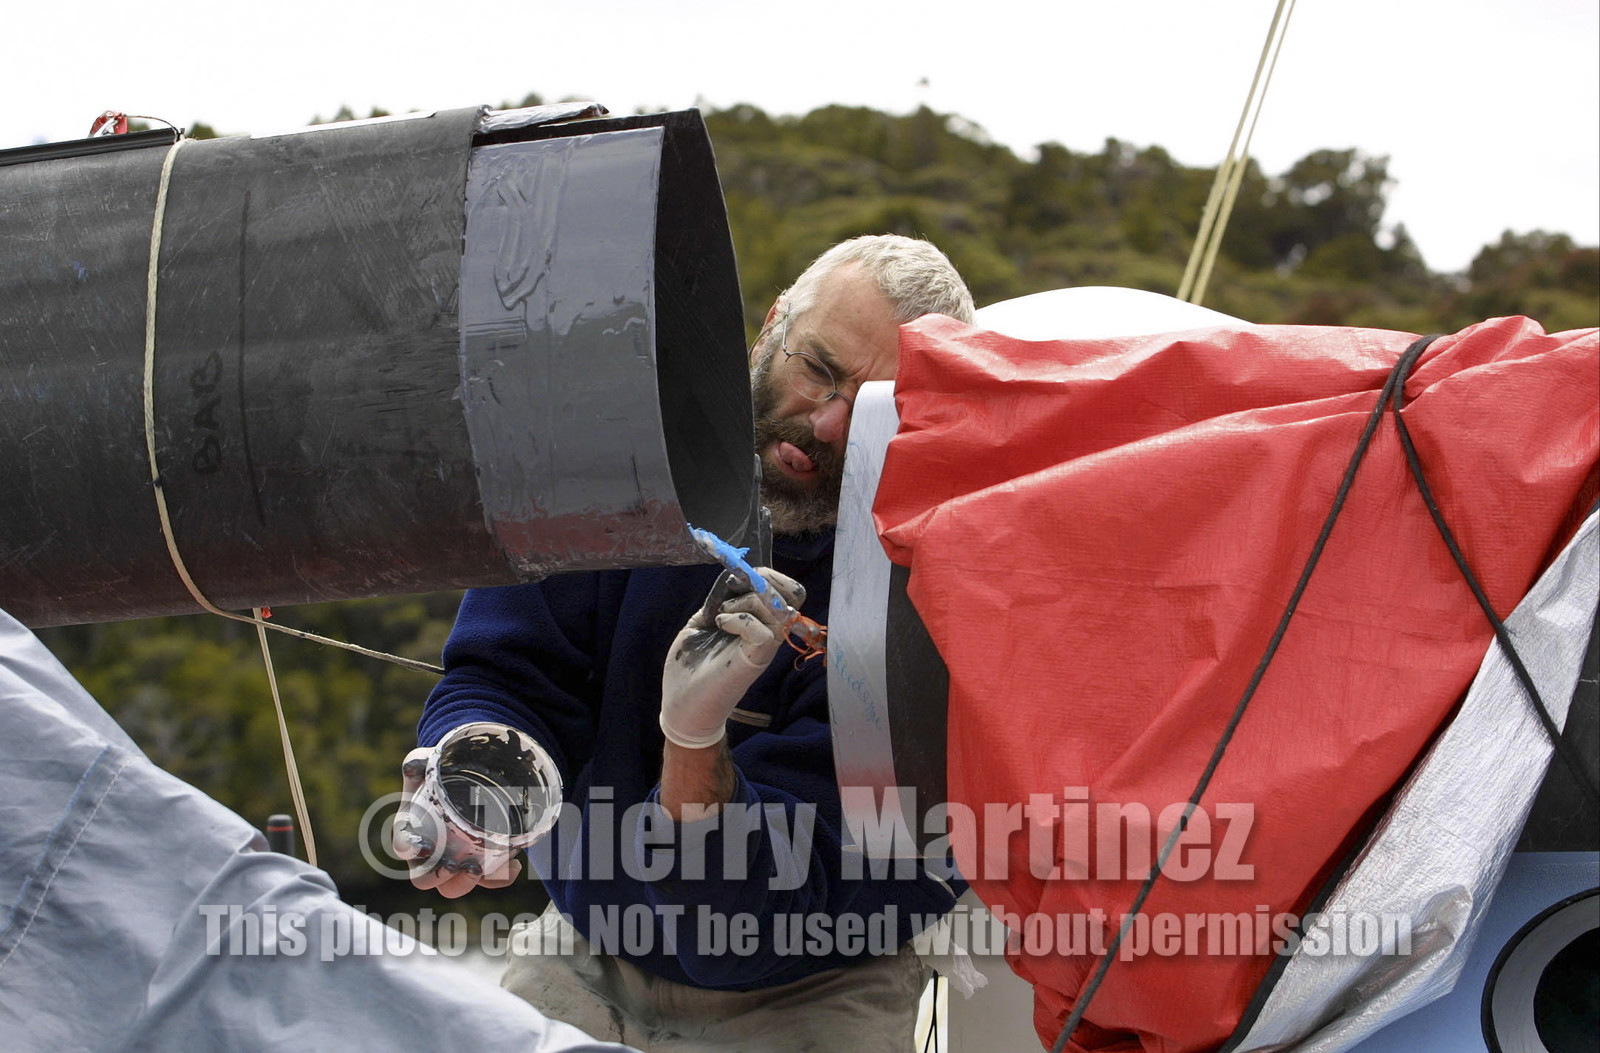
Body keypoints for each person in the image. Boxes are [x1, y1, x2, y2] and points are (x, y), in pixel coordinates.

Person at [398, 235, 976, 1050]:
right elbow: (509, 670)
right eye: (818, 367)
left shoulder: (932, 591)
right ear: (773, 324)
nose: (826, 421)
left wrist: (693, 740)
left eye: (879, 410)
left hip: (816, 980)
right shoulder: (620, 466)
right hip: (591, 941)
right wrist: (472, 774)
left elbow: (753, 918)